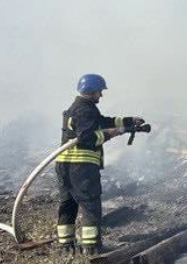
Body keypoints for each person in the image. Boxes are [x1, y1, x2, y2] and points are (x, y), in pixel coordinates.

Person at [56, 74, 148, 254]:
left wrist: (128, 121)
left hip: (64, 166)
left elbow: (101, 122)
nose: (101, 95)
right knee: (90, 204)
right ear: (91, 91)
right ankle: (92, 248)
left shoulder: (79, 108)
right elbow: (88, 138)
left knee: (68, 204)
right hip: (80, 167)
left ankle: (66, 247)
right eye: (100, 92)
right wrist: (118, 131)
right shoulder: (84, 110)